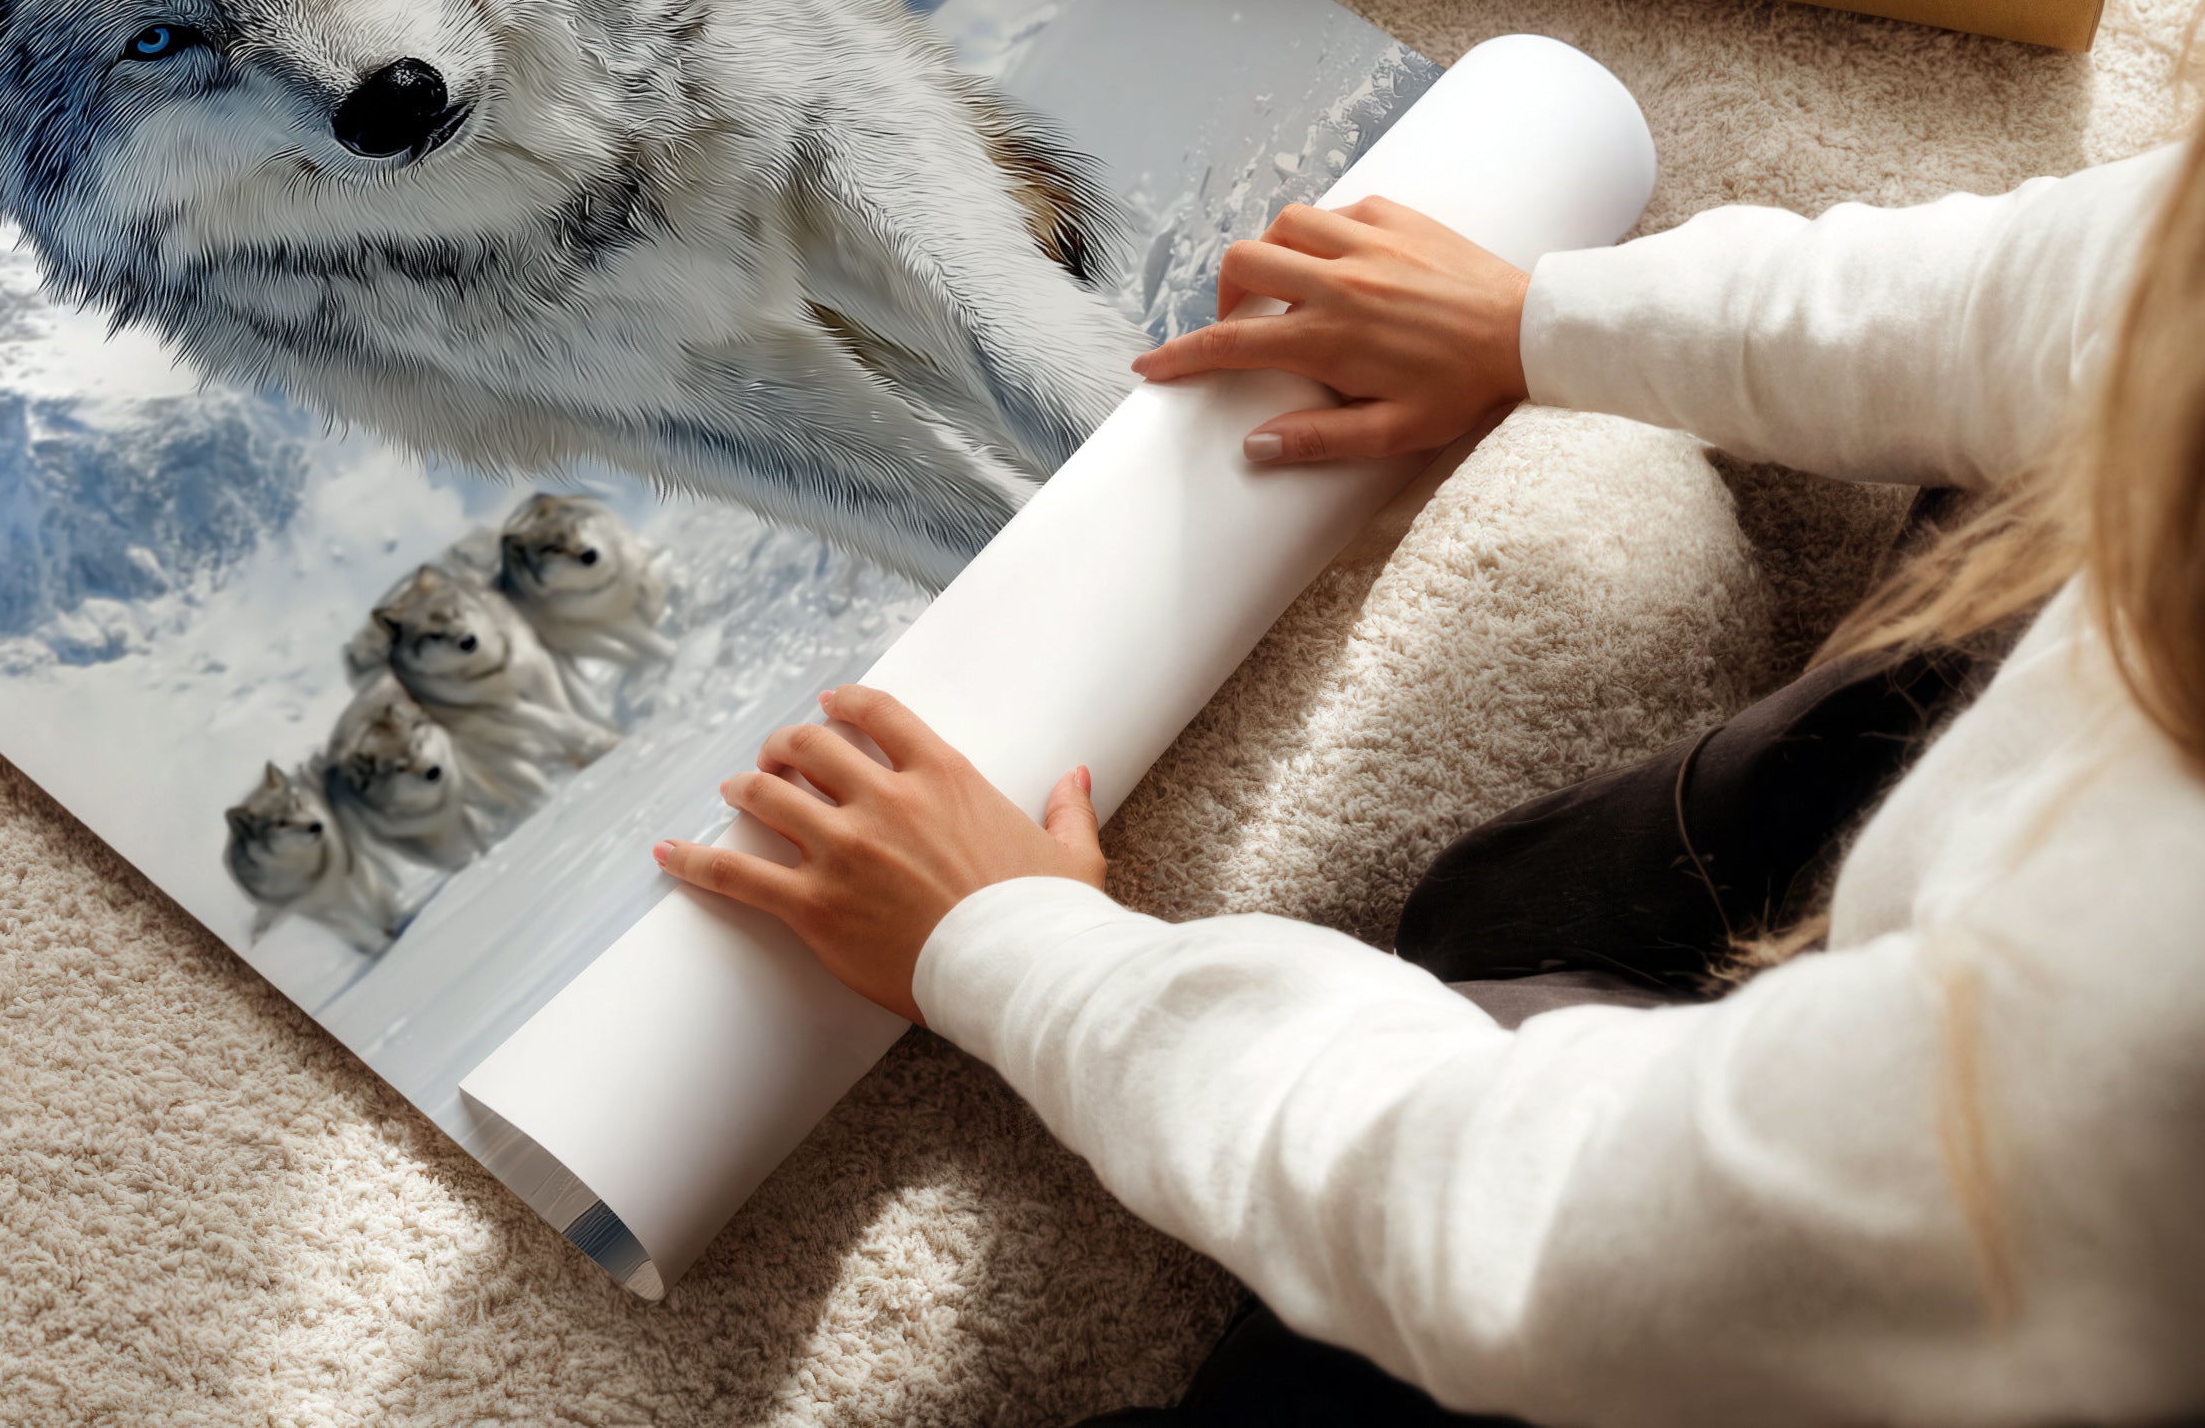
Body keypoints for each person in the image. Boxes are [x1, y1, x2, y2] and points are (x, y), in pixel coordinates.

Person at [654, 131, 2205, 1425]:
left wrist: (1020, 951)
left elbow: (1536, 1230)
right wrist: (1540, 320)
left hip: (1967, 1278)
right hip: (1993, 941)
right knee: (1524, 904)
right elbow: (2081, 286)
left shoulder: (2127, 1047)